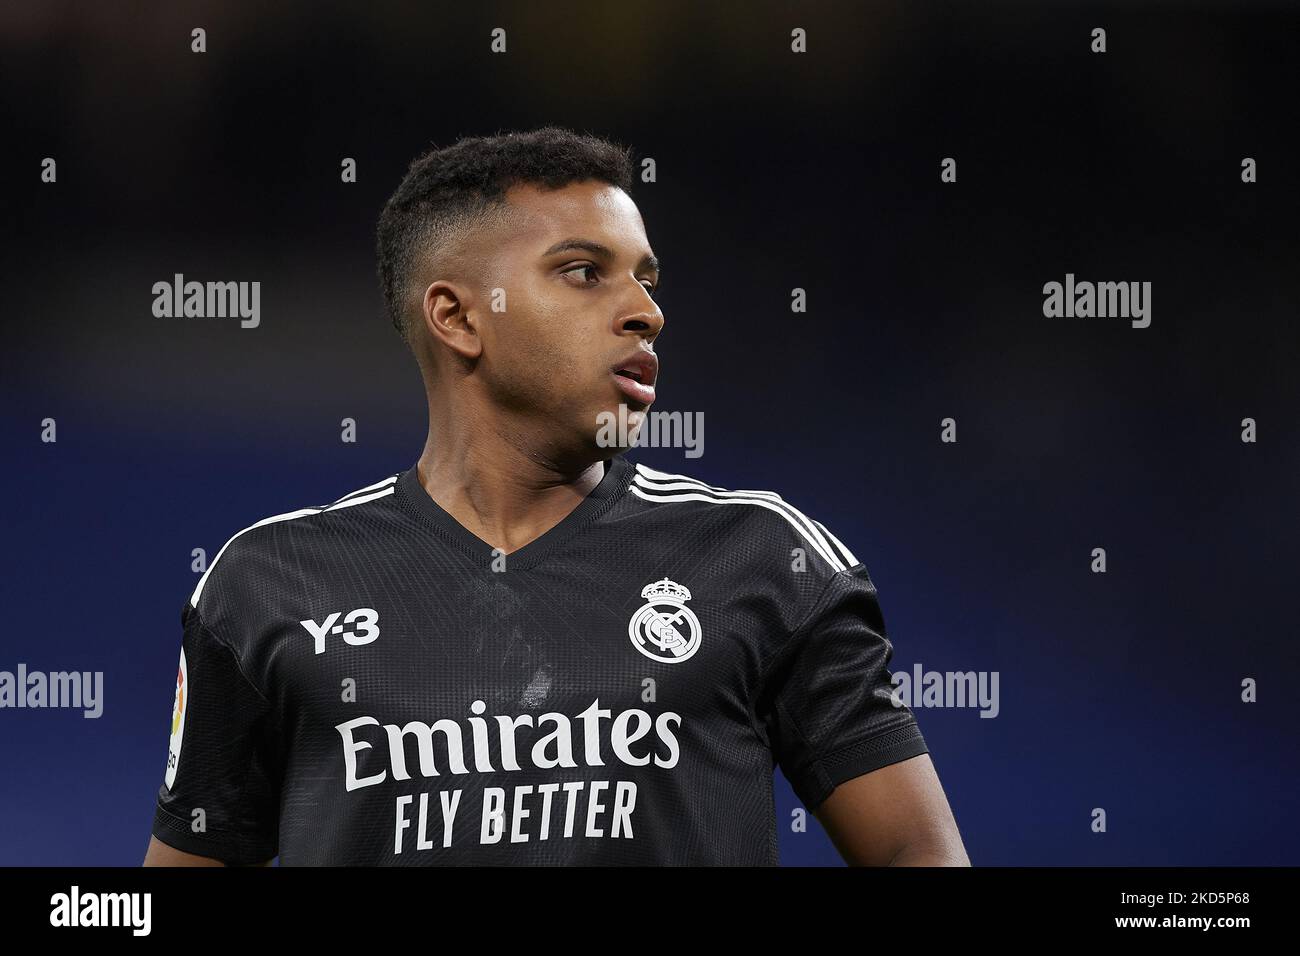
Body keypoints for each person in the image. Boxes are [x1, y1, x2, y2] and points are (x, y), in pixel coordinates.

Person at [143, 127, 969, 866]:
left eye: (648, 281)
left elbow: (913, 851)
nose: (646, 313)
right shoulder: (267, 582)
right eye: (584, 272)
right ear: (459, 317)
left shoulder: (767, 559)